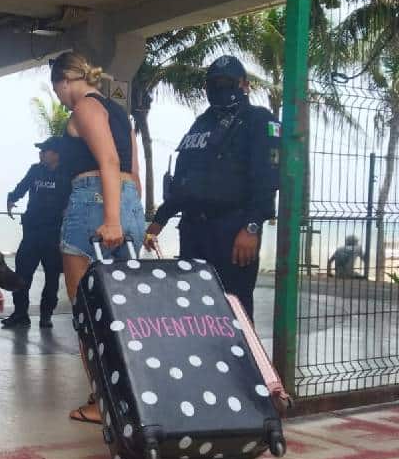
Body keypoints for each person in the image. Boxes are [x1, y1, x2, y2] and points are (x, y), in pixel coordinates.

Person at [144, 55, 281, 320]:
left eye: (226, 82)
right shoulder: (202, 123)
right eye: (213, 84)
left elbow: (266, 179)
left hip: (233, 230)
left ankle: (240, 362)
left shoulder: (258, 120)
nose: (219, 89)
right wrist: (160, 220)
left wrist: (252, 226)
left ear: (244, 84)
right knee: (194, 307)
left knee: (234, 307)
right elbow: (185, 180)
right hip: (194, 231)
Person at [48, 52, 146, 425]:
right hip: (128, 205)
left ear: (64, 82)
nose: (58, 97)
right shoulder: (121, 114)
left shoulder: (84, 110)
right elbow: (132, 172)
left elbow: (106, 160)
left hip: (94, 204)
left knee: (85, 313)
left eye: (56, 89)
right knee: (124, 312)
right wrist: (133, 220)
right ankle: (133, 395)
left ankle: (102, 401)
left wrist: (109, 219)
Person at [2, 137, 71, 329]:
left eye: (45, 150)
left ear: (56, 154)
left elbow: (73, 201)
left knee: (52, 278)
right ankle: (20, 314)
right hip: (31, 233)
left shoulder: (67, 174)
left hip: (54, 235)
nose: (41, 153)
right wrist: (11, 198)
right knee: (22, 275)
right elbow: (22, 187)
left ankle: (46, 315)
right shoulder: (35, 170)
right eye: (40, 150)